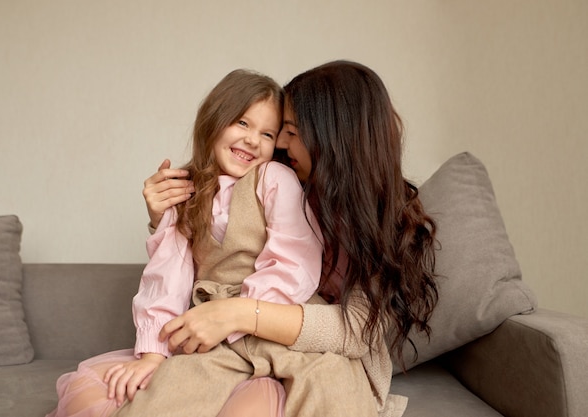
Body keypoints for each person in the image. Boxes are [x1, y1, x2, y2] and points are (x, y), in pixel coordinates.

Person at [133, 60, 439, 417]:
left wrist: (240, 313)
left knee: (326, 388)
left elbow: (357, 329)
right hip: (240, 340)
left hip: (312, 352)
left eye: (289, 131)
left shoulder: (383, 218)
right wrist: (167, 218)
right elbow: (217, 244)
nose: (278, 141)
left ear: (331, 138)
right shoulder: (272, 179)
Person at [46, 68, 331, 417]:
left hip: (266, 325)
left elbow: (293, 261)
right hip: (205, 331)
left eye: (267, 133)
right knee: (97, 394)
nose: (253, 140)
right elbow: (166, 276)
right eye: (242, 123)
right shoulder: (186, 190)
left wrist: (236, 318)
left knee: (253, 405)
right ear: (214, 121)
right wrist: (152, 353)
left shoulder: (275, 179)